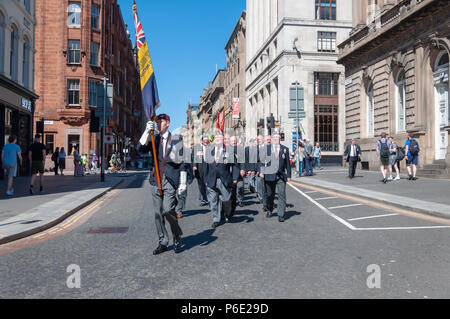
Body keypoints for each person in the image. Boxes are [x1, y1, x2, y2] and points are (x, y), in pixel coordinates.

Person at [139, 114, 185, 255]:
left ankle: (176, 235)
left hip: (170, 179)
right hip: (155, 179)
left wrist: (183, 181)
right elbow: (140, 149)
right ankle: (163, 241)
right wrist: (146, 132)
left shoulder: (176, 139)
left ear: (168, 123)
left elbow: (182, 162)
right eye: (157, 121)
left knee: (167, 209)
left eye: (162, 121)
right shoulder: (154, 138)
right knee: (158, 213)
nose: (159, 123)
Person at [205, 130, 239, 229]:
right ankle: (216, 219)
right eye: (216, 138)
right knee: (213, 201)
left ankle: (226, 213)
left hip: (224, 179)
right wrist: (205, 179)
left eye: (219, 138)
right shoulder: (209, 151)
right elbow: (206, 166)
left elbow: (235, 166)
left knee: (226, 199)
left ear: (222, 140)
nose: (217, 140)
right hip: (212, 179)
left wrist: (235, 178)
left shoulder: (228, 151)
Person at [259, 132, 291, 223]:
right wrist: (261, 171)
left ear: (280, 139)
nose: (276, 139)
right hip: (269, 175)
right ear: (272, 139)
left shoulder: (284, 149)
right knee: (270, 195)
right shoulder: (266, 149)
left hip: (281, 175)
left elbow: (287, 164)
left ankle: (281, 214)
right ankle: (269, 209)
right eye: (275, 137)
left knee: (282, 195)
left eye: (278, 137)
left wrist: (288, 175)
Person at [193, 136, 210, 206]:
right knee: (201, 185)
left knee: (208, 184)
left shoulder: (211, 148)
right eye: (205, 141)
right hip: (200, 168)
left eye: (207, 141)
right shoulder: (198, 148)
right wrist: (194, 165)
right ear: (202, 141)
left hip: (209, 168)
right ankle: (203, 199)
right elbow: (195, 158)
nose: (206, 142)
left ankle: (209, 200)